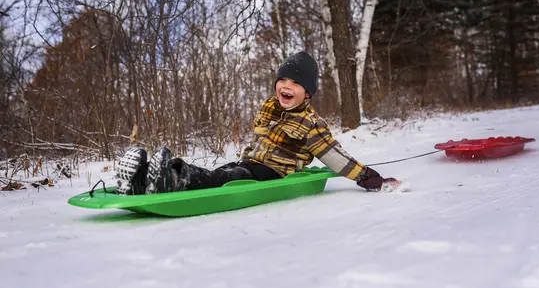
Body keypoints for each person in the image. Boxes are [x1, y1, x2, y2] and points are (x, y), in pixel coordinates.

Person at [115, 51, 398, 195]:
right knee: (219, 173)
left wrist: (367, 177)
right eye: (283, 80)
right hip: (250, 166)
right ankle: (142, 181)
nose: (287, 86)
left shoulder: (312, 123)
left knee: (224, 180)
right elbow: (259, 142)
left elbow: (334, 156)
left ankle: (172, 177)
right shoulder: (271, 109)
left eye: (296, 83)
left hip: (273, 176)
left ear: (308, 92)